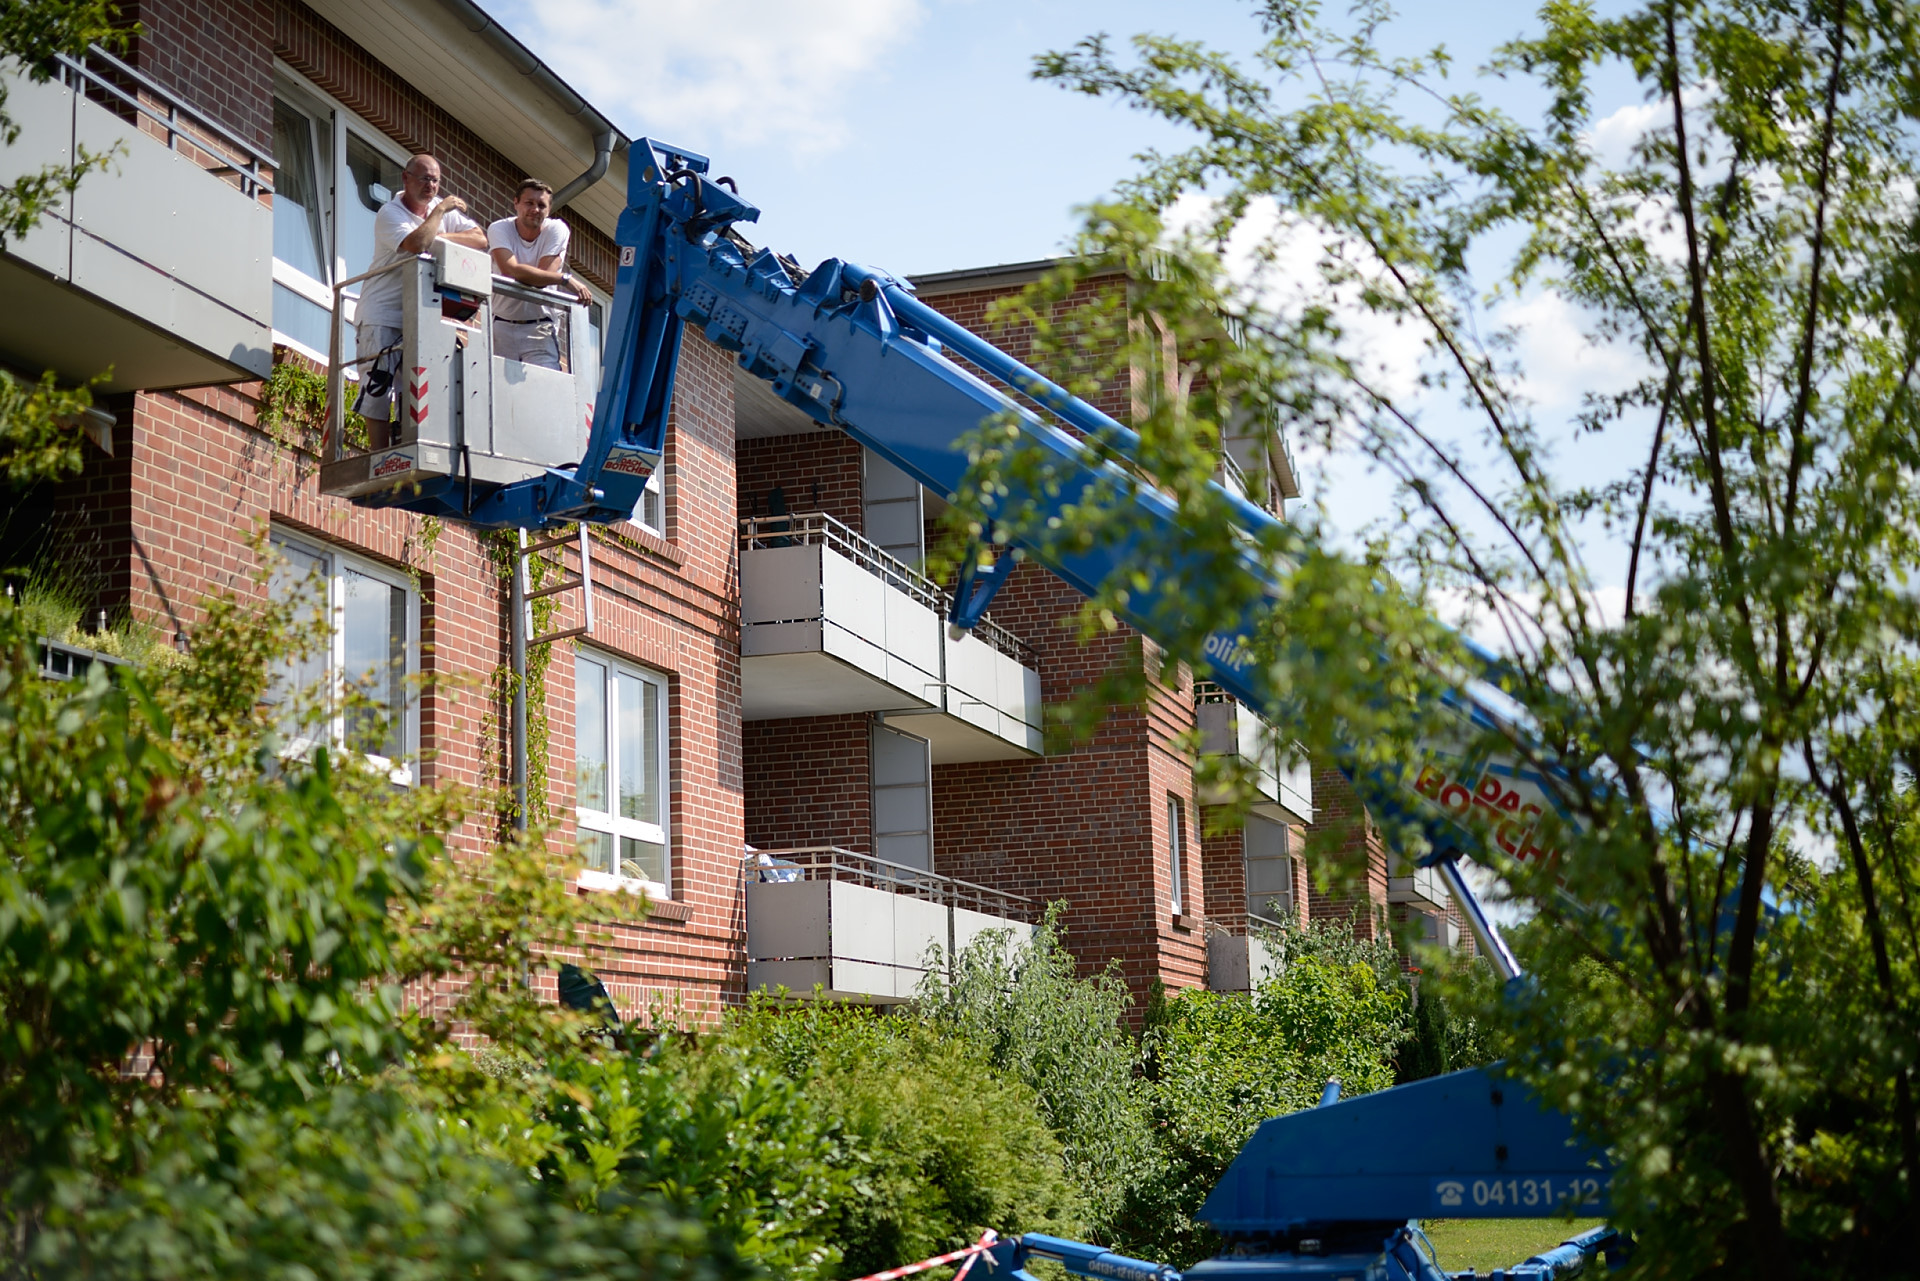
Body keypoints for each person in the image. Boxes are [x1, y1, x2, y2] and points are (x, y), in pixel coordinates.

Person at [352, 154, 488, 448]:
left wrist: (438, 237)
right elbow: (415, 244)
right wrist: (439, 211)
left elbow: (479, 238)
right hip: (381, 314)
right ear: (406, 178)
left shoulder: (442, 217)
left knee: (410, 388)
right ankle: (379, 457)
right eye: (425, 178)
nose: (431, 186)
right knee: (378, 388)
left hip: (417, 313)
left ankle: (404, 450)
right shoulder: (391, 213)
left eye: (436, 180)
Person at [487, 178, 593, 370]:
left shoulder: (557, 229)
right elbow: (509, 270)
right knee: (497, 395)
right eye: (529, 203)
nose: (535, 209)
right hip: (500, 326)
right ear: (516, 203)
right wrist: (565, 279)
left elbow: (543, 277)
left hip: (539, 329)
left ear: (549, 210)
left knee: (543, 393)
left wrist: (536, 276)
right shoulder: (499, 228)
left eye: (541, 205)